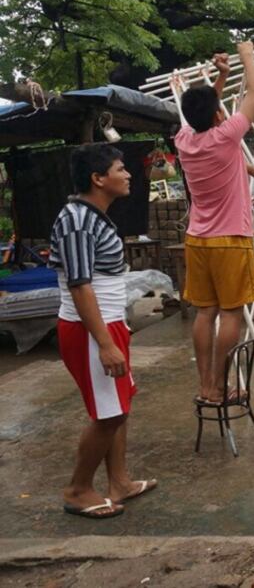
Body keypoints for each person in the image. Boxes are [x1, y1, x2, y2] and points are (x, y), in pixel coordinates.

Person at [51, 144, 157, 519]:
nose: (127, 175)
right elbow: (80, 286)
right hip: (89, 330)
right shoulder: (77, 221)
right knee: (109, 415)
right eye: (120, 168)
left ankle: (120, 482)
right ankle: (78, 489)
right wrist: (105, 344)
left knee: (119, 406)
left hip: (108, 324)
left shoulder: (93, 216)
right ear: (98, 179)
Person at [175, 41, 254, 404]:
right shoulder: (227, 137)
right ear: (217, 115)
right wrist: (246, 56)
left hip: (197, 238)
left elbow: (203, 112)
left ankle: (206, 385)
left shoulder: (183, 140)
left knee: (205, 312)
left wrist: (222, 77)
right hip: (231, 238)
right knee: (230, 314)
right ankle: (222, 384)